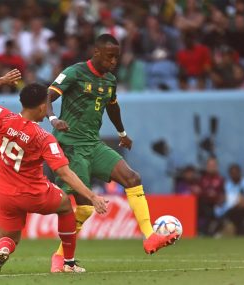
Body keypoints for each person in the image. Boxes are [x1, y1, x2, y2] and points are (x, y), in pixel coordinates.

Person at [46, 34, 178, 272]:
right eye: (109, 56)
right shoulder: (74, 72)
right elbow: (48, 95)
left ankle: (150, 236)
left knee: (133, 178)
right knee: (85, 208)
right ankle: (60, 257)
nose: (114, 61)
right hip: (72, 146)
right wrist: (53, 118)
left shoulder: (110, 81)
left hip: (93, 144)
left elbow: (112, 106)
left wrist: (121, 132)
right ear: (96, 53)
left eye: (116, 57)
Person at [0, 69, 108, 275]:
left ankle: (4, 250)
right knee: (66, 205)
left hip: (5, 194)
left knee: (10, 237)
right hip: (34, 193)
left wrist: (2, 80)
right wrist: (92, 196)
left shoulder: (2, 117)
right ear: (43, 107)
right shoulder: (43, 138)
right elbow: (65, 173)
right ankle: (68, 263)